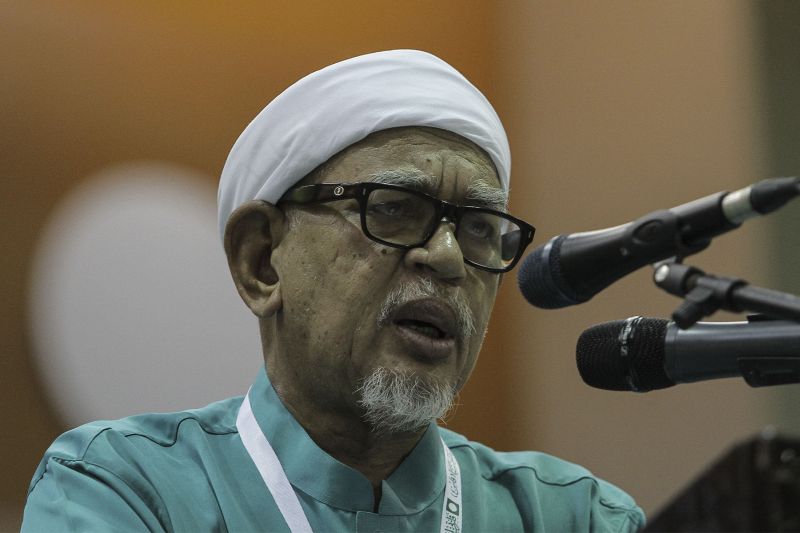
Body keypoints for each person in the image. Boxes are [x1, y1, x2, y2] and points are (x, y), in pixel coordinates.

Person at [22, 50, 645, 532]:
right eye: (396, 209)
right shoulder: (126, 489)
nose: (449, 257)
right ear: (261, 260)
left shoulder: (576, 516)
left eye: (481, 229)